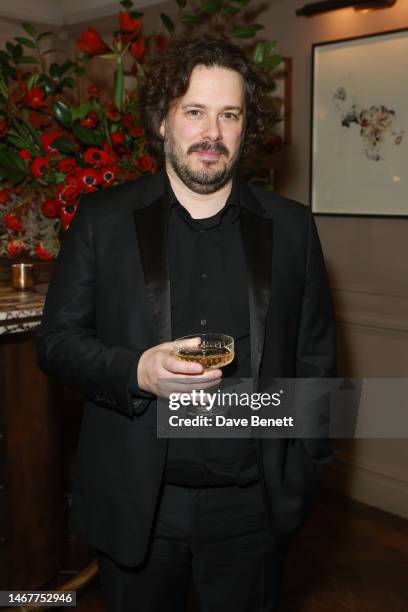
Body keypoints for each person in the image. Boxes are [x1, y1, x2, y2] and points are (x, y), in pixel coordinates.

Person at [35, 35, 336, 612]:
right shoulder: (103, 221)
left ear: (247, 125)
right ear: (162, 120)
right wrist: (137, 370)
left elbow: (317, 359)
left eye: (229, 115)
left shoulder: (293, 228)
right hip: (139, 503)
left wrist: (303, 472)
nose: (212, 134)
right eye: (194, 112)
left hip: (253, 505)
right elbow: (55, 344)